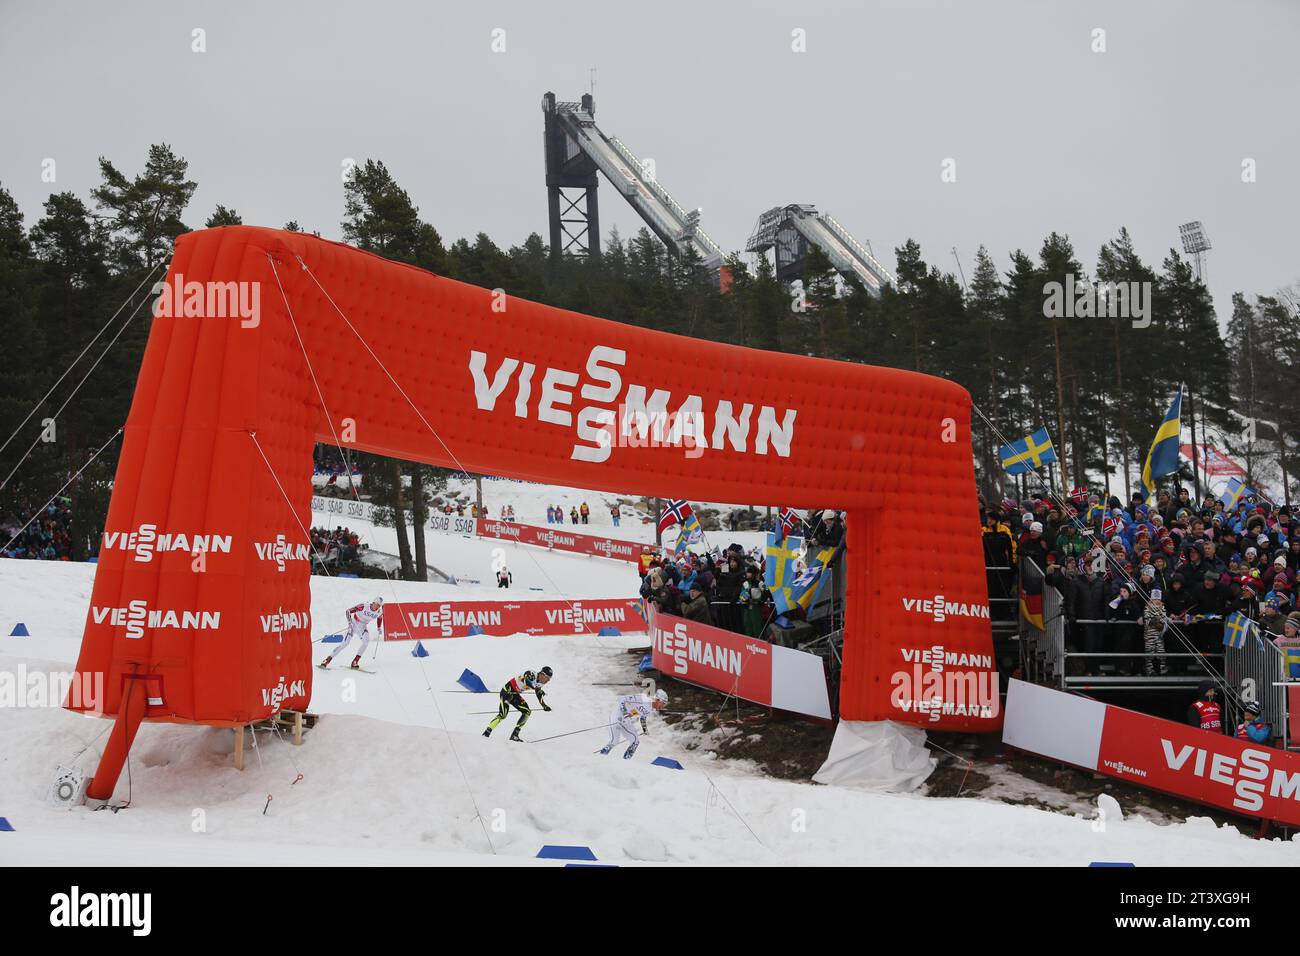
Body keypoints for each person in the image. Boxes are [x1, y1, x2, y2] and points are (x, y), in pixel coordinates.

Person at [483, 666, 553, 741]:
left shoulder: (541, 683)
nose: (548, 681)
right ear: (542, 674)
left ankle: (514, 735)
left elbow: (538, 693)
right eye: (547, 678)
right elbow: (526, 680)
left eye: (549, 679)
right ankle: (486, 733)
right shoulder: (532, 674)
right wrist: (536, 688)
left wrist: (544, 705)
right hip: (507, 691)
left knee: (527, 712)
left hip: (515, 694)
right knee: (503, 714)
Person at [599, 689, 668, 759]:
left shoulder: (651, 709)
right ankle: (601, 756)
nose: (663, 706)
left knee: (635, 741)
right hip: (617, 716)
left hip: (626, 721)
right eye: (663, 703)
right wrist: (625, 712)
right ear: (657, 699)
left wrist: (645, 730)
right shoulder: (643, 698)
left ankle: (626, 760)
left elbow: (642, 717)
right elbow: (622, 699)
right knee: (614, 741)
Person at [319, 597, 384, 670]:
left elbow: (380, 617)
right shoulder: (363, 606)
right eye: (377, 604)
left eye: (379, 605)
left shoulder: (379, 611)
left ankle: (355, 661)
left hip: (363, 626)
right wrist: (350, 622)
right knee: (345, 643)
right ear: (373, 602)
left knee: (366, 642)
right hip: (354, 623)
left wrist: (379, 627)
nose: (378, 607)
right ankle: (327, 660)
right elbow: (348, 611)